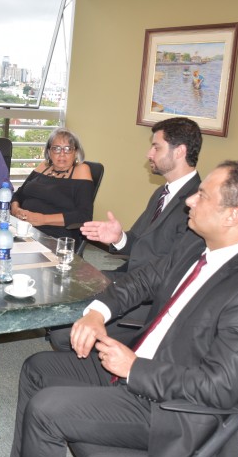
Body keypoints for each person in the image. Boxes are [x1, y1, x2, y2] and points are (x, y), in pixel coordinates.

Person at [0, 161, 238, 457]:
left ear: (232, 215)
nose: (190, 200)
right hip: (137, 367)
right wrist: (97, 313)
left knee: (47, 409)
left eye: (202, 196)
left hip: (170, 409)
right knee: (37, 368)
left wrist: (135, 367)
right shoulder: (198, 243)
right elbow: (142, 280)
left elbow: (221, 389)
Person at [48, 117, 202, 350]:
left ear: (179, 151)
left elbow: (173, 270)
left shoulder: (198, 204)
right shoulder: (163, 192)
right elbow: (139, 242)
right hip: (130, 276)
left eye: (156, 147)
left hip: (152, 294)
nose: (149, 154)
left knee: (62, 333)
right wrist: (119, 238)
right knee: (68, 286)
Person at [10, 128, 93, 244]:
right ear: (49, 152)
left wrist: (42, 219)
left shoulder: (81, 170)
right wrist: (16, 210)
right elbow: (19, 194)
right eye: (56, 149)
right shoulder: (43, 166)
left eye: (68, 149)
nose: (62, 154)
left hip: (53, 234)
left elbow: (84, 216)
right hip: (22, 227)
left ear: (76, 152)